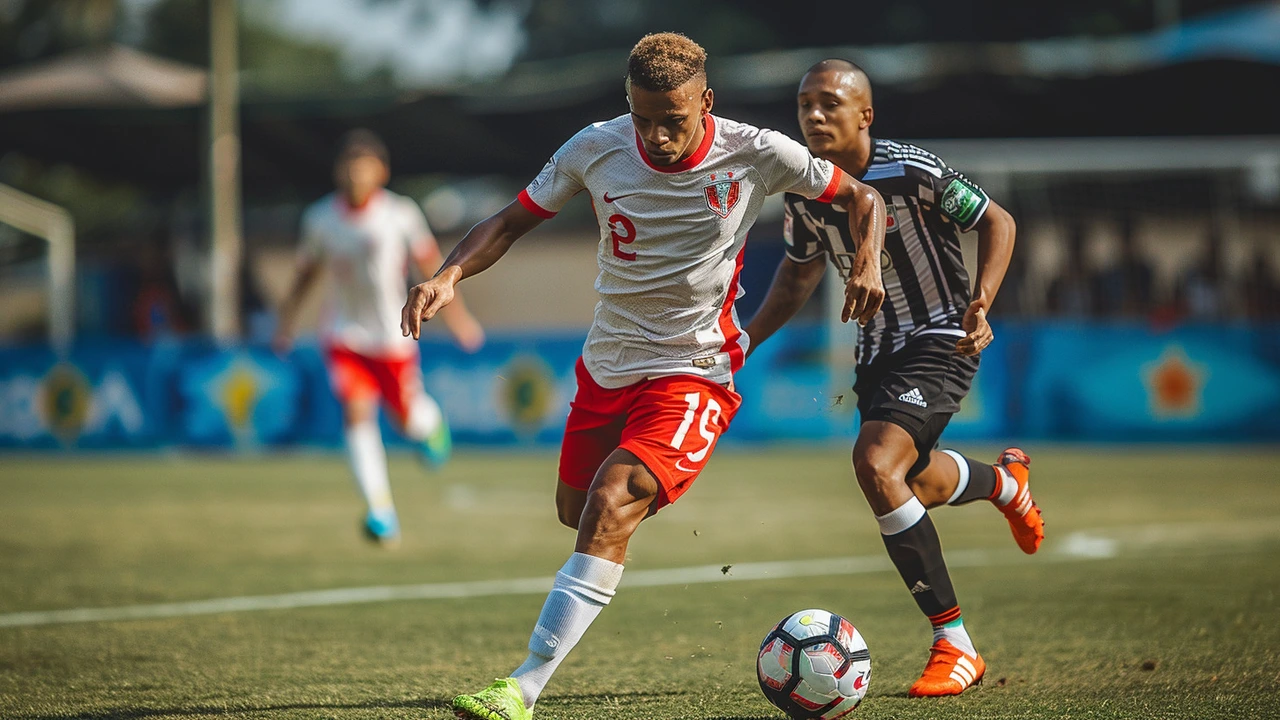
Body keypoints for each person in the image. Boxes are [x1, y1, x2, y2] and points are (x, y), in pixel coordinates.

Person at [401, 34, 885, 720]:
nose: (655, 136)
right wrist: (448, 275)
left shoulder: (757, 151)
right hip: (607, 365)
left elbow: (863, 198)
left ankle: (522, 687)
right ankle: (602, 560)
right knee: (578, 514)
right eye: (643, 118)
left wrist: (865, 260)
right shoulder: (595, 147)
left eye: (673, 120)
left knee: (609, 502)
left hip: (695, 369)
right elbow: (512, 221)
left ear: (706, 103)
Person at [745, 59, 1042, 697]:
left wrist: (982, 301)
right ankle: (1005, 486)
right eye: (804, 105)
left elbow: (999, 221)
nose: (814, 116)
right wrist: (743, 342)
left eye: (829, 103)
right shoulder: (804, 189)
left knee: (876, 465)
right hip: (876, 350)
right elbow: (798, 274)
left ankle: (954, 645)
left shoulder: (911, 168)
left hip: (942, 335)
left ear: (865, 116)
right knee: (914, 479)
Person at [274, 129, 485, 548]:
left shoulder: (400, 213)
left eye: (363, 166)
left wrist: (459, 320)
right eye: (348, 167)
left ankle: (430, 424)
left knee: (406, 421)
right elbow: (306, 273)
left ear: (381, 172)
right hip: (343, 335)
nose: (355, 174)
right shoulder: (320, 219)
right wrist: (287, 322)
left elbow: (433, 268)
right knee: (356, 412)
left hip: (393, 335)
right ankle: (380, 511)